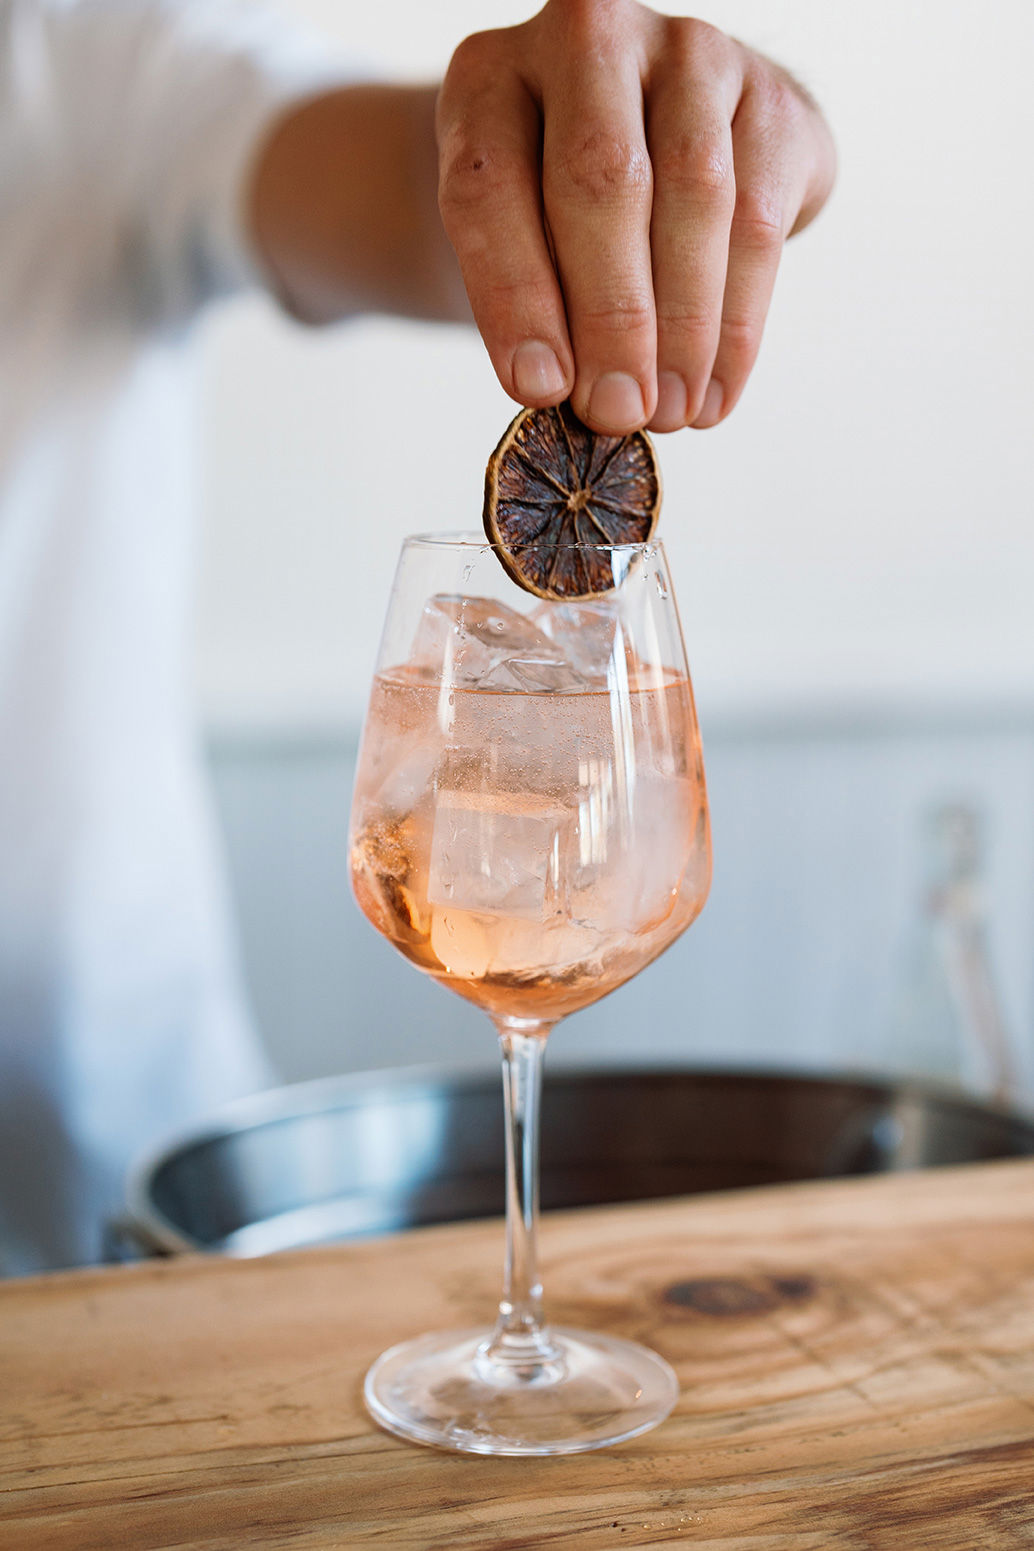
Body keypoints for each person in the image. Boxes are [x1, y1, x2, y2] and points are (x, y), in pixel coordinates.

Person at [0, 0, 835, 1273]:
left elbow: (401, 191)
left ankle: (522, 1334)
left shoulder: (73, 55)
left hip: (101, 1220)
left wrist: (594, 141)